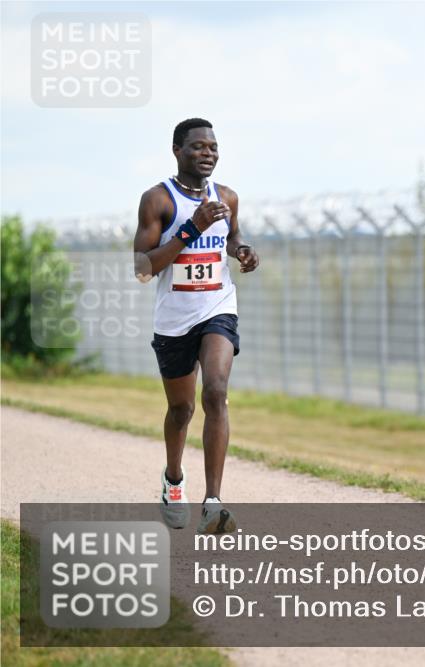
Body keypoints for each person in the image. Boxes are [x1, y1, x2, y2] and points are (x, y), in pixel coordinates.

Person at [133, 118, 259, 534]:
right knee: (181, 409)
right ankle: (173, 479)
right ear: (177, 151)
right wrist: (192, 228)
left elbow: (231, 236)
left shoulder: (228, 197)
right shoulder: (157, 200)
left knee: (217, 392)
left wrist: (242, 251)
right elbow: (142, 268)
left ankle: (214, 502)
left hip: (217, 306)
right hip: (174, 320)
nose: (208, 153)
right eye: (198, 147)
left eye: (213, 147)